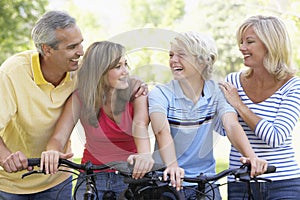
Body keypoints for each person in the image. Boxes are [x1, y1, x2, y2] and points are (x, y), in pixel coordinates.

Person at [0, 11, 147, 200]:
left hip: (56, 179)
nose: (80, 51)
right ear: (47, 49)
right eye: (72, 47)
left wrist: (134, 81)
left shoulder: (79, 72)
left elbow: (107, 72)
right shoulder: (12, 73)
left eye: (80, 43)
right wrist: (5, 156)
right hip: (13, 183)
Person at [148, 31, 268, 199]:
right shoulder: (160, 93)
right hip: (168, 182)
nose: (173, 60)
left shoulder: (217, 92)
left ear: (203, 61)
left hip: (205, 183)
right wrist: (173, 166)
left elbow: (232, 125)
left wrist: (252, 157)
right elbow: (162, 131)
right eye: (171, 55)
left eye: (181, 54)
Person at [40, 41, 154, 199]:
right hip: (92, 176)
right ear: (99, 71)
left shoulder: (136, 94)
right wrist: (53, 150)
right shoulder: (80, 98)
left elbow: (140, 125)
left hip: (130, 176)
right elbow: (58, 137)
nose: (126, 72)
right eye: (117, 66)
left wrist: (145, 156)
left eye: (125, 64)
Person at [219, 15, 300, 199]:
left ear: (270, 44)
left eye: (249, 41)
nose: (242, 48)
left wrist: (239, 105)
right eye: (241, 42)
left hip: (283, 183)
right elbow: (222, 129)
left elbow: (275, 137)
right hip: (241, 182)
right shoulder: (233, 82)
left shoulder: (293, 86)